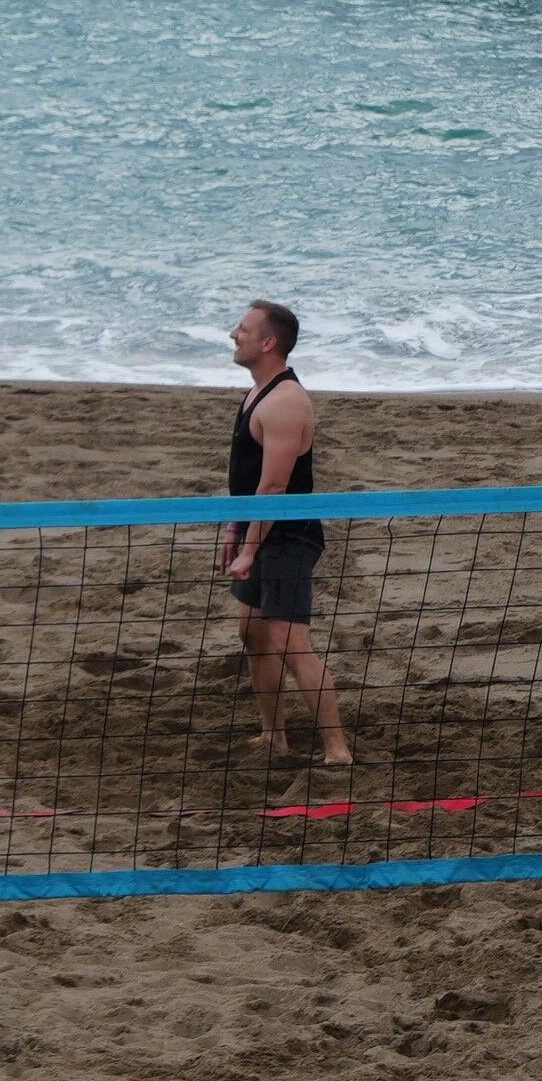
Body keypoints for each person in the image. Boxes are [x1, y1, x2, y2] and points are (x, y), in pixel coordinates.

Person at [219, 301, 346, 768]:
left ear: (269, 342)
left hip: (288, 538)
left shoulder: (286, 401)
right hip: (261, 531)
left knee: (292, 643)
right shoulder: (257, 392)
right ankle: (274, 735)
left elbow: (274, 486)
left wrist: (250, 549)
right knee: (252, 632)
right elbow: (249, 477)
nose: (234, 334)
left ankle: (337, 751)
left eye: (244, 329)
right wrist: (237, 527)